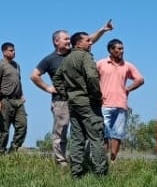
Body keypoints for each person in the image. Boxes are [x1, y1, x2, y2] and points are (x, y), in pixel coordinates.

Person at [30, 20, 113, 165]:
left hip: (79, 99)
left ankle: (81, 159)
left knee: (81, 130)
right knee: (61, 131)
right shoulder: (49, 60)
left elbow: (88, 40)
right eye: (66, 39)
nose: (69, 41)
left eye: (69, 39)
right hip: (61, 100)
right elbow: (34, 75)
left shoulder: (73, 53)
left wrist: (103, 30)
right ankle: (61, 161)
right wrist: (48, 88)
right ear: (56, 41)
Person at [53, 32, 108, 178]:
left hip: (73, 102)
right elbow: (91, 76)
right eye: (88, 41)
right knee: (96, 136)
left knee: (77, 138)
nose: (91, 43)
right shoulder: (85, 57)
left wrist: (67, 94)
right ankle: (100, 173)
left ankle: (76, 172)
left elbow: (57, 78)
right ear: (78, 44)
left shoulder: (67, 59)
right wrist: (97, 95)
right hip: (88, 102)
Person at [97, 38, 144, 161]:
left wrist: (128, 89)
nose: (122, 51)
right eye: (119, 49)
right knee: (104, 134)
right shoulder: (101, 63)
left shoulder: (127, 65)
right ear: (111, 50)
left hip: (121, 104)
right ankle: (102, 160)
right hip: (104, 104)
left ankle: (113, 160)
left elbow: (140, 79)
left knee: (117, 134)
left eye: (122, 49)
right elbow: (92, 79)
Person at [0, 42, 26, 154]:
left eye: (14, 50)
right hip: (5, 100)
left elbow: (18, 82)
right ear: (4, 52)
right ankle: (0, 153)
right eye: (11, 50)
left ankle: (12, 152)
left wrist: (22, 95)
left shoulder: (16, 65)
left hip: (18, 101)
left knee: (22, 126)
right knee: (3, 129)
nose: (14, 52)